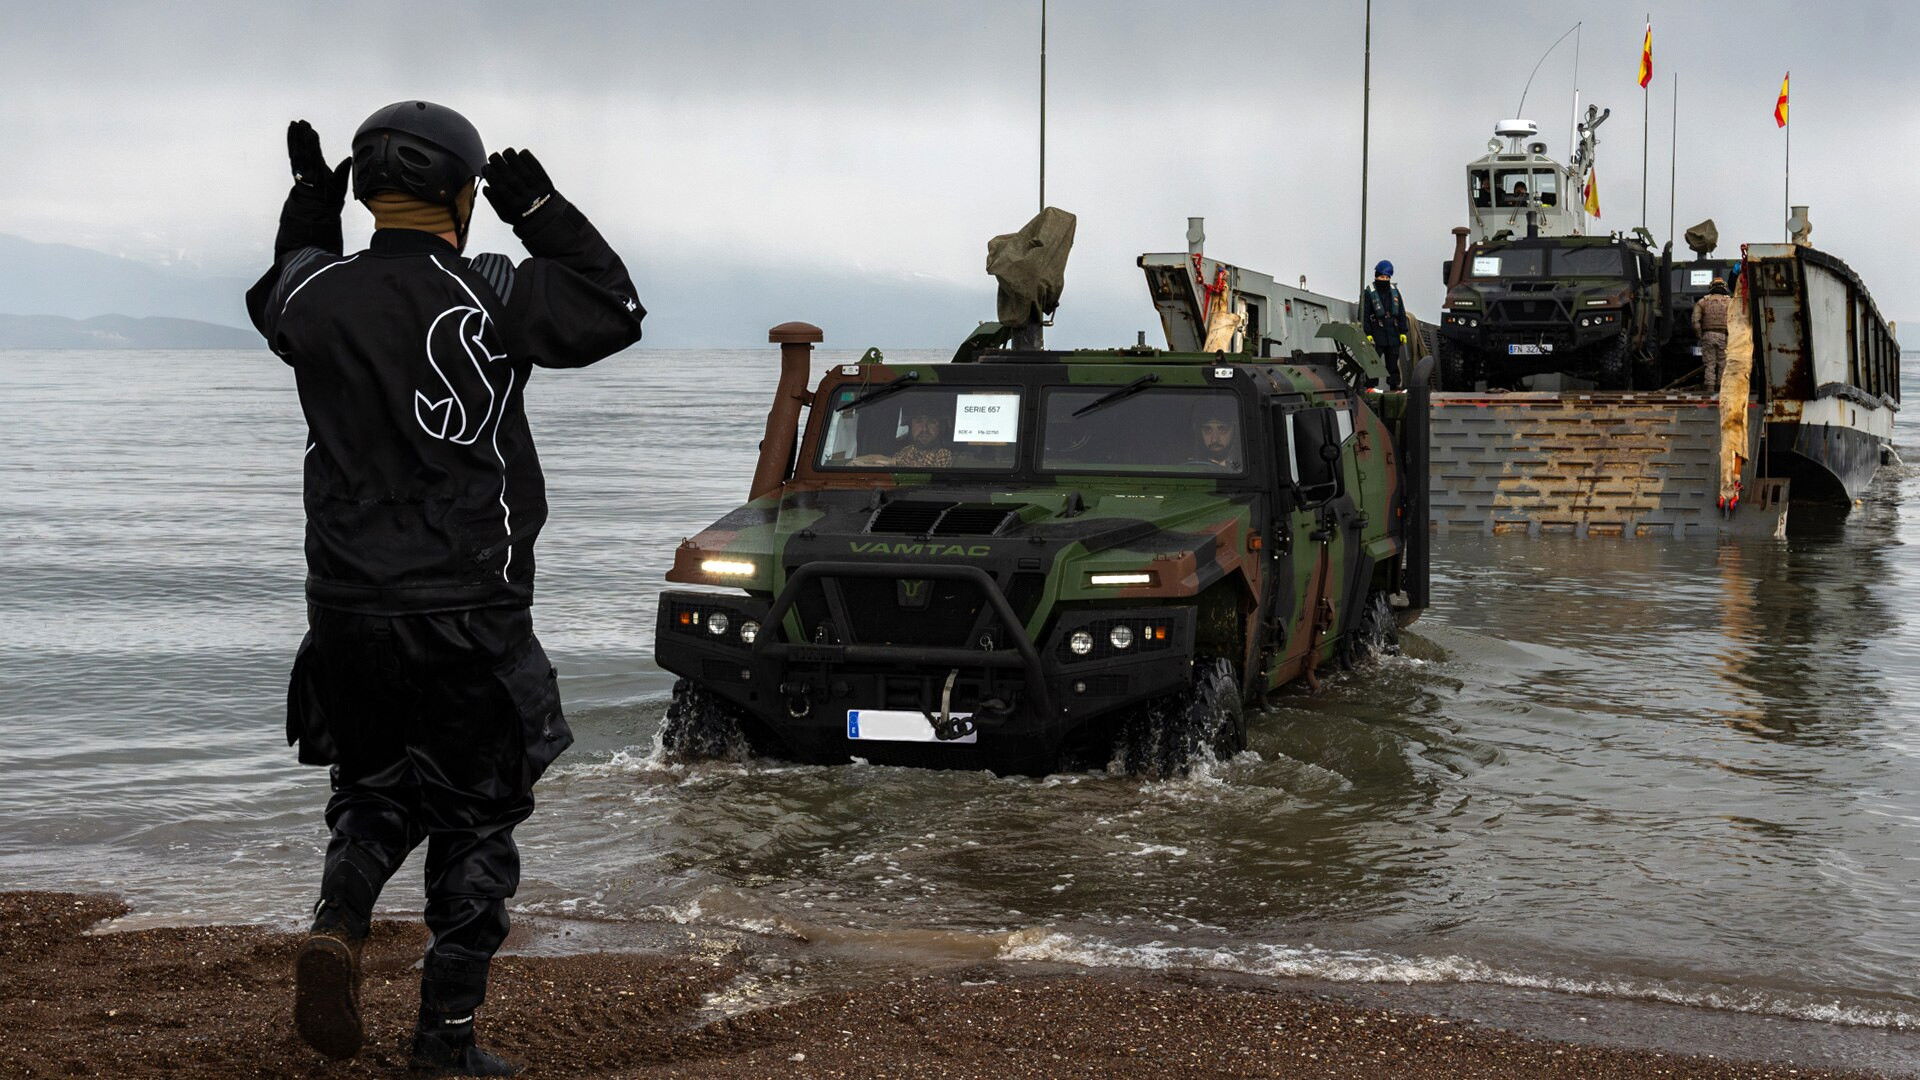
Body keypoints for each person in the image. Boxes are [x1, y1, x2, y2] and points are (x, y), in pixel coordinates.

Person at [246, 102, 643, 1075]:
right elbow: (612, 312)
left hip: (344, 608)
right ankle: (445, 1040)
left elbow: (283, 288)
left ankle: (339, 921)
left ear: (368, 189)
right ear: (463, 196)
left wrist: (307, 205)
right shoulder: (492, 288)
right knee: (477, 814)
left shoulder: (315, 297)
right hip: (469, 608)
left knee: (375, 788)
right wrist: (542, 209)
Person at [1362, 261, 1409, 390]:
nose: (1385, 279)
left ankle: (1394, 387)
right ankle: (1370, 387)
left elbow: (1401, 312)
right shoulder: (1368, 292)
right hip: (1377, 332)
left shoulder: (1394, 292)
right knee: (1373, 363)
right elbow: (1364, 314)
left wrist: (1403, 332)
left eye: (1387, 277)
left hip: (1393, 333)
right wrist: (1368, 333)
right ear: (1376, 276)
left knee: (1393, 363)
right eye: (1382, 277)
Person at [1693, 276, 1733, 393]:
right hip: (1724, 336)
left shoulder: (1702, 302)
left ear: (1711, 287)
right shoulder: (1730, 302)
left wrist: (1700, 336)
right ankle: (1720, 388)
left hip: (1708, 335)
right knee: (1723, 364)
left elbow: (1695, 322)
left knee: (1709, 364)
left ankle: (1709, 389)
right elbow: (1736, 321)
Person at [1192, 405, 1240, 469]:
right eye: (1208, 430)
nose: (1214, 439)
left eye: (1223, 430)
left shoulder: (1243, 466)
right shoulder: (1189, 467)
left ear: (1234, 431)